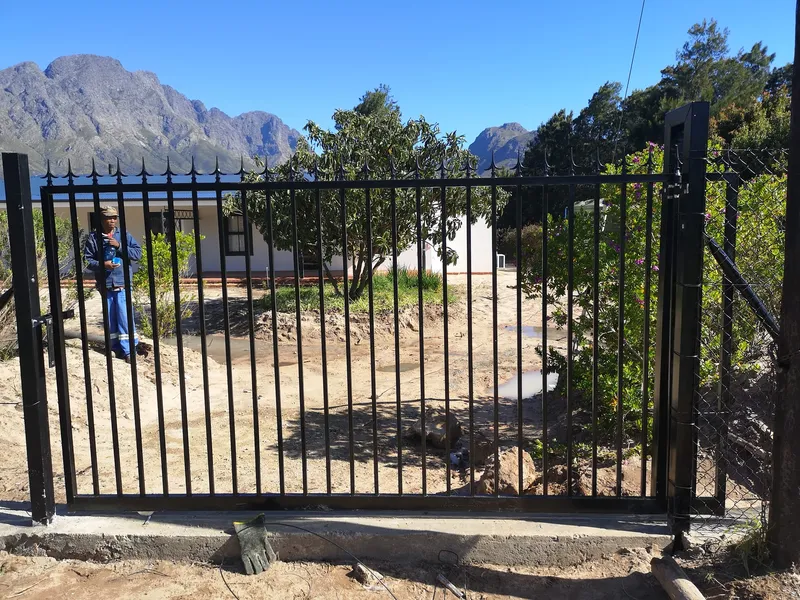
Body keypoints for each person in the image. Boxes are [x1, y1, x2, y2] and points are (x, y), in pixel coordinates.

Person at [83, 206, 142, 363]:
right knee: (110, 318)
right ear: (102, 220)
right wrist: (104, 264)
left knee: (124, 316)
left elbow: (138, 254)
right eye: (109, 218)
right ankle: (114, 348)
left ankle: (129, 350)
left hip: (123, 283)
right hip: (106, 284)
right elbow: (87, 261)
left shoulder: (123, 235)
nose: (112, 220)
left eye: (114, 217)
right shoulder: (94, 238)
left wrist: (119, 246)